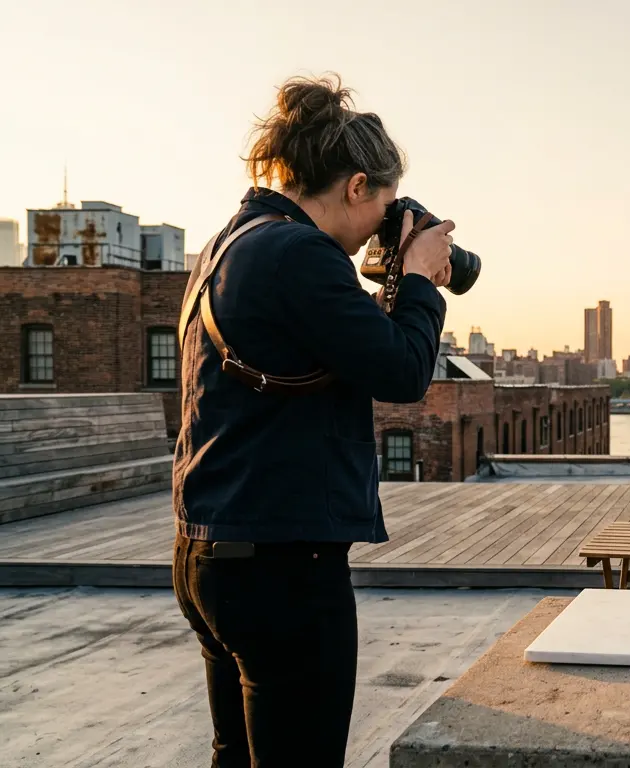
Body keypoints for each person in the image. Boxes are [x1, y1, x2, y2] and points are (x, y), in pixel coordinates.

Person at [171, 73, 455, 767]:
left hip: (208, 553)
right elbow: (402, 371)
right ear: (357, 186)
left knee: (235, 757)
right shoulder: (300, 254)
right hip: (281, 567)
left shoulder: (230, 244)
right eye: (383, 206)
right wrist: (417, 279)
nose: (377, 231)